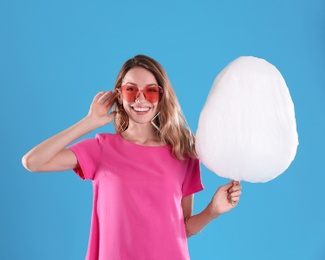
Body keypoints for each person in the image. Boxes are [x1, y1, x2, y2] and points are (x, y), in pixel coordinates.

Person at [22, 54, 242, 260]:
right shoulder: (101, 149)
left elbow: (183, 228)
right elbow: (32, 162)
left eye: (150, 91)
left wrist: (213, 210)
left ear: (161, 95)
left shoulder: (183, 152)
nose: (140, 98)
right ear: (119, 94)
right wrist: (89, 122)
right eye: (131, 90)